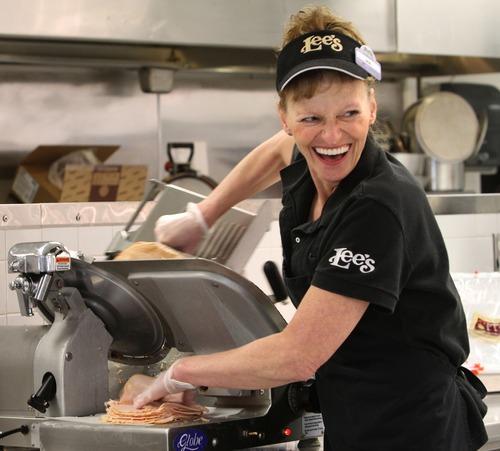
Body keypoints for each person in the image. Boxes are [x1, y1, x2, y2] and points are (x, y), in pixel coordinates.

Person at [134, 6, 488, 450]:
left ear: (372, 107)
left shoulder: (377, 206)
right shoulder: (309, 157)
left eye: (349, 113)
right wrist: (203, 215)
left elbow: (298, 355)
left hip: (415, 428)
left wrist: (180, 373)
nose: (332, 136)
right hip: (355, 413)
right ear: (285, 118)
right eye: (311, 119)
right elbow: (274, 153)